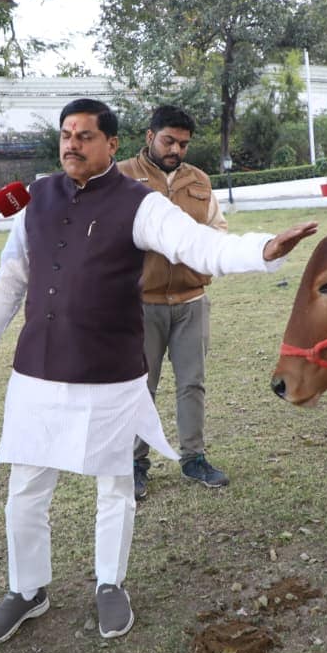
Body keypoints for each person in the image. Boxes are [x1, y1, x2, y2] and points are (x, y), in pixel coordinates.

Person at [0, 98, 316, 644]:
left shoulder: (139, 203)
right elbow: (12, 279)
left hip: (110, 370)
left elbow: (198, 244)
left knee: (115, 486)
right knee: (26, 486)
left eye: (84, 135)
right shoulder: (37, 197)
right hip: (39, 369)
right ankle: (26, 590)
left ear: (111, 145)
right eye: (66, 134)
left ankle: (110, 584)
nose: (72, 143)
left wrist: (263, 250)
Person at [119, 105, 228, 501]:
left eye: (183, 144)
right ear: (149, 136)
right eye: (169, 140)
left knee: (192, 383)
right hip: (140, 304)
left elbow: (217, 229)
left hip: (191, 300)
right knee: (138, 387)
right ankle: (134, 464)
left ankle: (193, 457)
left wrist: (205, 260)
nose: (176, 150)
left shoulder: (199, 181)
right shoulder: (121, 178)